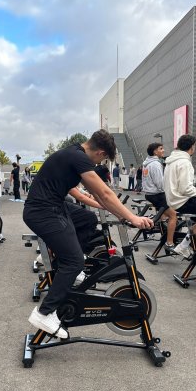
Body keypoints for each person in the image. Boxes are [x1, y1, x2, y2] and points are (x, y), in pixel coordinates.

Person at [24, 129, 153, 339]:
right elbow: (104, 192)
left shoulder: (74, 153)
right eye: (101, 160)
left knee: (87, 219)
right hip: (43, 212)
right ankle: (44, 313)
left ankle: (67, 265)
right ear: (100, 153)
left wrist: (118, 213)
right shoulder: (79, 157)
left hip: (53, 207)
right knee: (74, 261)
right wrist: (133, 217)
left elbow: (97, 194)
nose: (98, 164)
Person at [142, 142, 177, 249]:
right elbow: (160, 184)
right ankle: (169, 243)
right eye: (161, 148)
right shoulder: (155, 164)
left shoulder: (147, 163)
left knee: (163, 216)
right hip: (157, 195)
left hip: (150, 194)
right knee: (173, 216)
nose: (163, 150)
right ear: (155, 151)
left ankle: (164, 233)